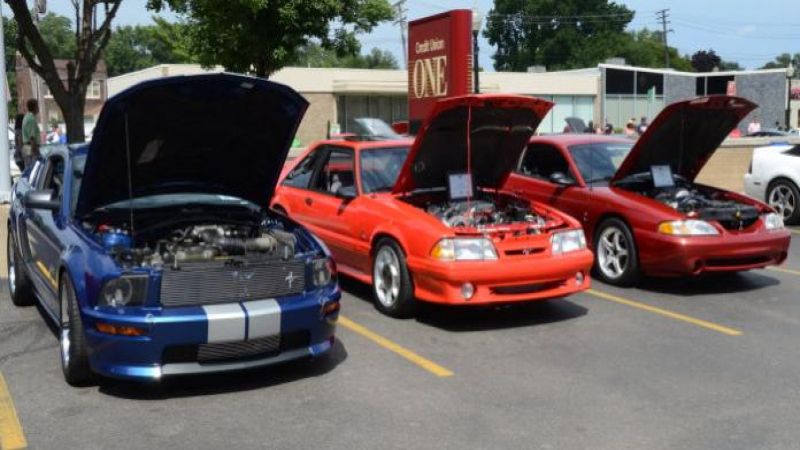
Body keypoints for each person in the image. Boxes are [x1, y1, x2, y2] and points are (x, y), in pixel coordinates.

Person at [21, 99, 41, 171]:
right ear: (34, 107)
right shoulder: (31, 119)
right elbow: (32, 137)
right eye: (37, 106)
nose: (38, 108)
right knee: (32, 171)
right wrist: (36, 152)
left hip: (27, 148)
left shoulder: (27, 117)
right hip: (31, 149)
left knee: (29, 170)